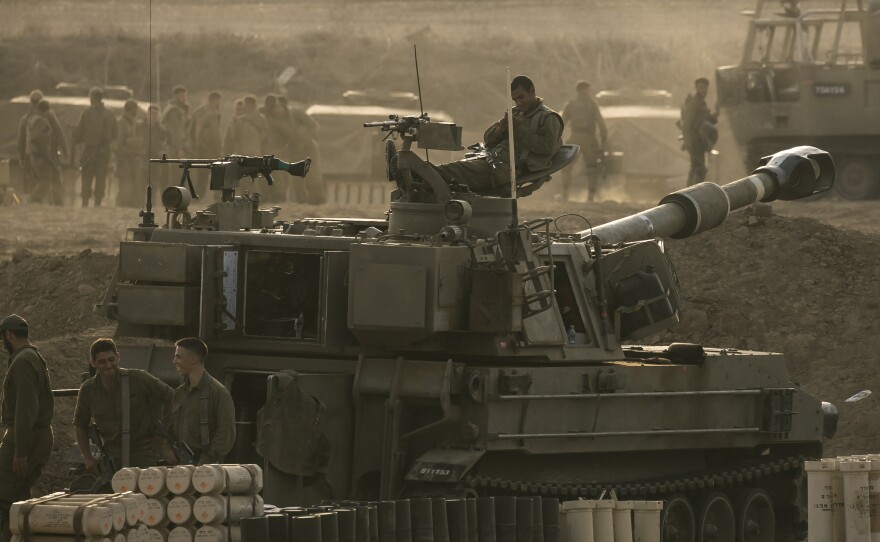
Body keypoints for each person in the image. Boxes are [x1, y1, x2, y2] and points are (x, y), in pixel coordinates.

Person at [435, 75, 563, 195]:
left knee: (441, 172)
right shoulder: (515, 112)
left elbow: (547, 147)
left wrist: (519, 129)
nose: (518, 103)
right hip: (490, 160)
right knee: (435, 174)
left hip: (506, 169)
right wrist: (501, 128)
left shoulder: (548, 118)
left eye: (521, 97)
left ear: (532, 91)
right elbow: (488, 140)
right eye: (515, 99)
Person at [73, 338, 174, 472]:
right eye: (102, 362)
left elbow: (173, 398)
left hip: (143, 453)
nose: (108, 365)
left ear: (118, 357)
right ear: (93, 363)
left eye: (111, 359)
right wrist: (87, 457)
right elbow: (80, 424)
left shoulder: (139, 379)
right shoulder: (88, 390)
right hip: (110, 457)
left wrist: (160, 434)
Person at [0, 315, 54, 542]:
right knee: (19, 501)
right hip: (36, 437)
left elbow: (25, 409)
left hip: (25, 438)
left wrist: (20, 450)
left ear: (8, 335)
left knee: (3, 500)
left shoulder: (23, 361)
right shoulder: (32, 357)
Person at [164, 337, 235, 465]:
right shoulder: (180, 393)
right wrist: (167, 451)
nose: (174, 361)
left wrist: (205, 461)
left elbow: (226, 434)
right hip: (180, 467)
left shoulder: (218, 393)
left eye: (178, 357)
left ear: (193, 359)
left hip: (206, 470)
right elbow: (171, 428)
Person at [560, 81, 607, 202]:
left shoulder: (582, 104)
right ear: (581, 90)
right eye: (587, 90)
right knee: (568, 166)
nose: (589, 92)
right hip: (582, 137)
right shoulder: (587, 105)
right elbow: (562, 123)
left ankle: (590, 195)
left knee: (590, 167)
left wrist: (603, 137)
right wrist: (603, 137)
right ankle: (565, 193)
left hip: (583, 137)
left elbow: (561, 123)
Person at [17, 90, 66, 202]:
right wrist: (65, 149)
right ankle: (54, 204)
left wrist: (21, 156)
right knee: (53, 180)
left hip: (32, 154)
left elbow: (21, 140)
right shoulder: (48, 115)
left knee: (37, 181)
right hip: (46, 154)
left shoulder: (26, 118)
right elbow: (59, 133)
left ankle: (36, 204)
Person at [73, 87, 118, 207]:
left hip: (90, 150)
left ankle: (85, 203)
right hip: (104, 151)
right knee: (101, 178)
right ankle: (97, 203)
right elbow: (115, 134)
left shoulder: (87, 113)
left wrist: (73, 136)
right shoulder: (110, 114)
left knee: (86, 178)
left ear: (92, 98)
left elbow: (78, 134)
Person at [282, 96, 325, 204]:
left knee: (313, 173)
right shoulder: (274, 120)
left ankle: (317, 199)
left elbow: (314, 126)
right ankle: (301, 200)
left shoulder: (296, 114)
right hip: (293, 147)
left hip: (308, 145)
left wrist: (305, 138)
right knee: (296, 176)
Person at [681, 77, 718, 186]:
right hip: (694, 141)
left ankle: (687, 194)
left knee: (696, 168)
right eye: (701, 87)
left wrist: (717, 111)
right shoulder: (694, 103)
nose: (703, 90)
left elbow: (709, 120)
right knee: (700, 169)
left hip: (699, 141)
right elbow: (686, 124)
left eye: (705, 88)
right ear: (696, 88)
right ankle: (693, 194)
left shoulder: (701, 103)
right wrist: (688, 142)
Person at [188, 92, 223, 198]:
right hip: (208, 149)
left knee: (204, 175)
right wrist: (217, 149)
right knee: (212, 174)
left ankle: (199, 197)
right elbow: (212, 134)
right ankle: (209, 197)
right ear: (214, 101)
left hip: (204, 148)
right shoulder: (209, 113)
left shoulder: (201, 112)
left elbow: (191, 131)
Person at [115, 100, 145, 207]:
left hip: (132, 159)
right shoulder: (121, 123)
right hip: (124, 159)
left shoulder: (133, 122)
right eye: (135, 109)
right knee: (125, 185)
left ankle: (132, 205)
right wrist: (132, 150)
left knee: (134, 184)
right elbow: (118, 146)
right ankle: (123, 206)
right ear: (132, 110)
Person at [162, 85, 190, 158]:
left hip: (175, 145)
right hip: (174, 147)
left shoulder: (176, 108)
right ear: (175, 96)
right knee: (177, 168)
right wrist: (179, 149)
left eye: (185, 96)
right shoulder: (174, 111)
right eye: (182, 96)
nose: (184, 98)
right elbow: (175, 131)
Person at [146, 104, 170, 186]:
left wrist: (163, 151)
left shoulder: (162, 130)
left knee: (153, 184)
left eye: (156, 114)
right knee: (139, 185)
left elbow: (166, 143)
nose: (154, 116)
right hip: (142, 159)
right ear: (147, 114)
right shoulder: (140, 127)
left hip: (155, 159)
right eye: (152, 113)